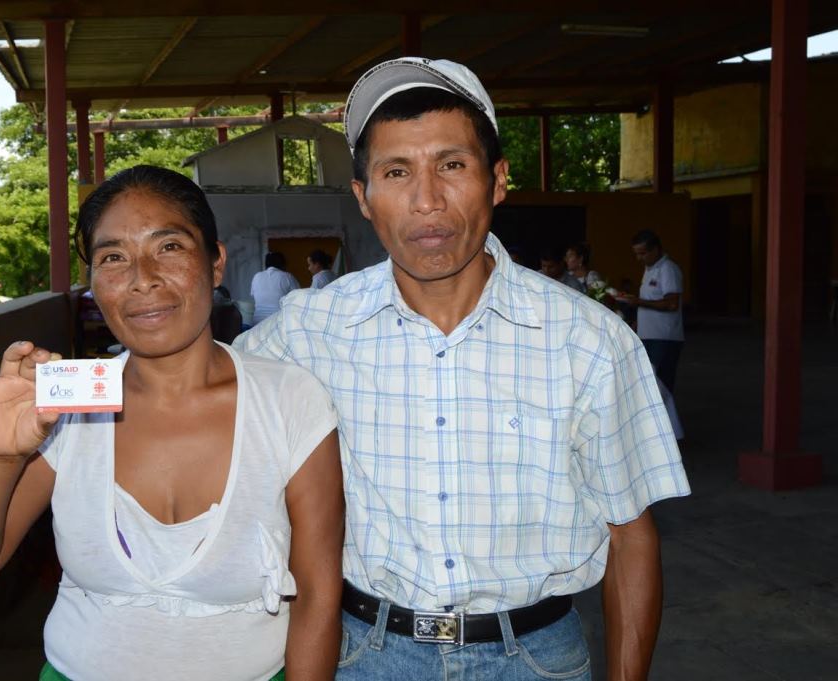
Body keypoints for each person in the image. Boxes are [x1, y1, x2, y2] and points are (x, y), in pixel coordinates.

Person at [236, 57, 689, 681]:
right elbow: (186, 382)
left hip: (536, 657)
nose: (427, 200)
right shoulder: (308, 330)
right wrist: (65, 382)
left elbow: (632, 537)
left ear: (498, 180)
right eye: (397, 172)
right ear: (364, 199)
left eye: (452, 165)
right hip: (367, 654)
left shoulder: (589, 340)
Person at [0, 166, 345, 681]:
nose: (141, 278)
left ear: (216, 263)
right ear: (93, 284)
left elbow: (319, 597)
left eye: (168, 247)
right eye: (113, 257)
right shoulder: (66, 403)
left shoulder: (289, 399)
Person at [619, 230, 684, 394]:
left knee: (660, 385)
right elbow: (650, 299)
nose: (639, 258)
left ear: (655, 249)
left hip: (664, 337)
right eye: (636, 254)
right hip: (648, 335)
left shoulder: (668, 269)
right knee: (648, 383)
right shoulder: (650, 269)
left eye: (642, 253)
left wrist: (638, 302)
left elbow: (672, 304)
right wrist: (638, 323)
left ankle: (667, 418)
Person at [251, 251, 300, 324]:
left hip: (257, 323)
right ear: (282, 264)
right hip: (279, 322)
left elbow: (253, 295)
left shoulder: (257, 276)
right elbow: (299, 298)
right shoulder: (287, 277)